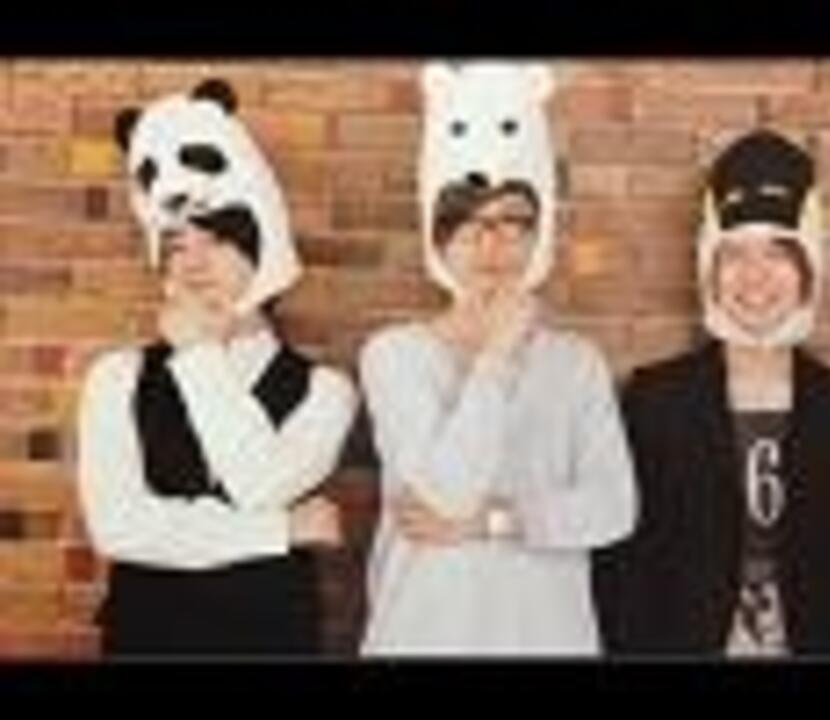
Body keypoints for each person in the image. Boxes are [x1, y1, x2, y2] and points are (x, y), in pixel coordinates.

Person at [77, 80, 357, 656]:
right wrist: (283, 529)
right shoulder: (117, 376)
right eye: (177, 244)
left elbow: (259, 484)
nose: (195, 262)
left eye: (217, 241)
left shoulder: (326, 390)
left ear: (262, 245)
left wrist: (199, 353)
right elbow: (117, 527)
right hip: (146, 636)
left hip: (271, 638)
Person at [592, 128, 830, 657]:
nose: (755, 277)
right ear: (709, 267)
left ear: (808, 267)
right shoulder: (654, 400)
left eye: (777, 253)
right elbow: (622, 566)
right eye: (734, 255)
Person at [359, 175, 638, 655]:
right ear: (441, 245)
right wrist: (498, 353)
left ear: (536, 241)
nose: (491, 247)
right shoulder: (394, 354)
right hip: (427, 626)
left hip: (545, 631)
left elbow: (613, 508)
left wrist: (493, 521)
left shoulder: (577, 362)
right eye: (470, 228)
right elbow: (445, 496)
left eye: (512, 226)